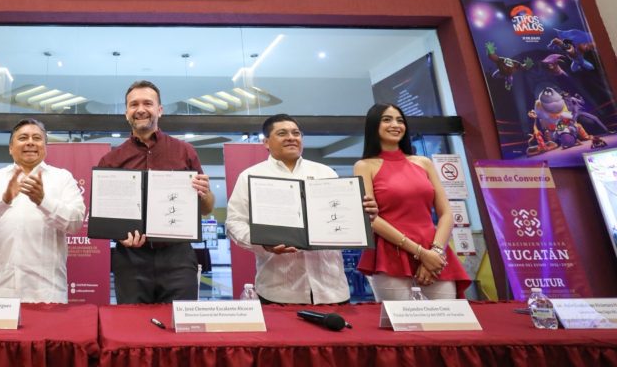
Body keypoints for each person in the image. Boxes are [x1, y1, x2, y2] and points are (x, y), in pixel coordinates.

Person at [226, 115, 378, 304]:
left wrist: (363, 217)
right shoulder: (251, 176)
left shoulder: (325, 173)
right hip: (278, 290)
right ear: (266, 142)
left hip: (332, 289)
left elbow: (341, 217)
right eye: (282, 133)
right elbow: (234, 223)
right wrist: (262, 243)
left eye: (296, 133)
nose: (291, 137)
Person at [98, 80, 214, 304]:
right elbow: (105, 216)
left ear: (159, 110)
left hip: (177, 258)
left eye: (147, 103)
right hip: (130, 259)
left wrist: (205, 192)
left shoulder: (185, 152)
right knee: (133, 324)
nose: (140, 109)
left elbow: (206, 208)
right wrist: (118, 234)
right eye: (134, 104)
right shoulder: (111, 160)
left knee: (180, 322)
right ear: (126, 112)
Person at [0, 118, 85, 303]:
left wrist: (43, 201)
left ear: (45, 147)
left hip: (47, 294)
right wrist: (3, 201)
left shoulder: (62, 178)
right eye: (23, 138)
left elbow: (76, 223)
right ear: (10, 148)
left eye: (37, 138)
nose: (30, 142)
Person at [355, 103, 471, 300]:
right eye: (387, 120)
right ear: (374, 126)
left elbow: (446, 214)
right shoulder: (364, 166)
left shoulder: (424, 163)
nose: (395, 125)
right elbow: (371, 218)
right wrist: (421, 253)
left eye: (400, 120)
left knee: (448, 316)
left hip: (433, 248)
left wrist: (435, 252)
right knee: (400, 318)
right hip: (390, 252)